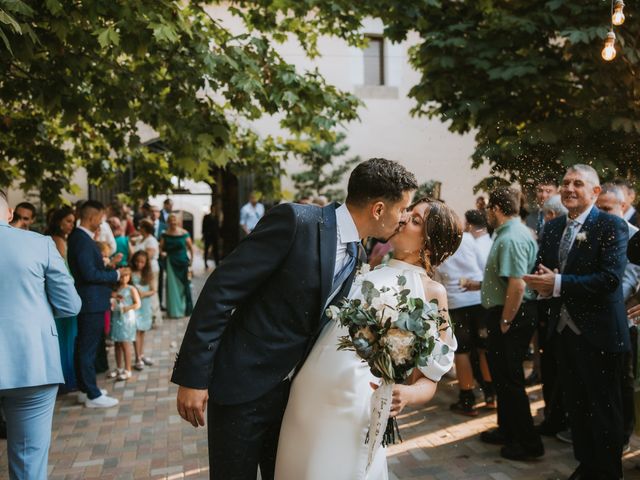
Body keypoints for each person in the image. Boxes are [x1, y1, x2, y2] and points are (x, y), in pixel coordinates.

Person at [171, 158, 417, 480]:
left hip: (296, 400)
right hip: (242, 386)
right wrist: (193, 376)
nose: (403, 219)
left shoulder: (358, 254)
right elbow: (221, 291)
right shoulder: (296, 222)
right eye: (402, 210)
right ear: (379, 209)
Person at [275, 199, 460, 479]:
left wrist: (407, 394)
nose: (404, 217)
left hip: (354, 403)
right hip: (307, 390)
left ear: (430, 245)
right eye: (408, 212)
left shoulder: (432, 292)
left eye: (416, 220)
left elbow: (431, 378)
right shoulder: (366, 265)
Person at [523, 165, 630, 479]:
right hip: (563, 331)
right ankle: (587, 465)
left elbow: (610, 279)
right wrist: (541, 285)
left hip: (601, 334)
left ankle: (608, 473)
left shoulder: (611, 225)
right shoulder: (554, 228)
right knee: (576, 405)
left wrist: (556, 284)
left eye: (578, 184)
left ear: (595, 192)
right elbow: (547, 269)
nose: (569, 188)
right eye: (565, 183)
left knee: (604, 408)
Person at [0, 190, 81, 480]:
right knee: (28, 460)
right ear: (9, 214)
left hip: (30, 364)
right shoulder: (39, 244)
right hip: (30, 360)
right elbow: (70, 304)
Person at [479, 186, 544, 461]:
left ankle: (529, 443)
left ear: (495, 209)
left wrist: (506, 320)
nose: (487, 215)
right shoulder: (510, 234)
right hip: (507, 313)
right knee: (503, 378)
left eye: (488, 210)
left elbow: (517, 283)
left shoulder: (512, 237)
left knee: (510, 379)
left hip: (511, 315)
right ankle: (507, 430)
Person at [596, 183, 640, 452]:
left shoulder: (634, 236)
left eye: (608, 209)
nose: (602, 214)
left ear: (623, 207)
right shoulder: (596, 233)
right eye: (599, 208)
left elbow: (630, 280)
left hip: (626, 319)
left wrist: (598, 298)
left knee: (625, 381)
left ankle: (624, 435)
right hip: (599, 320)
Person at [435, 220, 494, 416]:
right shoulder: (468, 238)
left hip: (456, 302)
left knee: (462, 352)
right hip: (477, 298)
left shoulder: (436, 245)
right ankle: (490, 394)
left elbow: (437, 278)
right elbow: (483, 264)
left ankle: (467, 398)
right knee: (484, 349)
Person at [67, 200, 122, 408]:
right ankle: (92, 394)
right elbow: (89, 273)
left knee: (85, 346)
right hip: (91, 301)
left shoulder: (81, 238)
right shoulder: (81, 239)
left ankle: (85, 389)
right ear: (92, 217)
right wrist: (114, 273)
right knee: (87, 348)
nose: (102, 222)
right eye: (100, 217)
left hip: (93, 300)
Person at [45, 206, 79, 393]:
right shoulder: (57, 240)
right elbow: (62, 273)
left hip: (65, 293)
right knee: (66, 339)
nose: (71, 226)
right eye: (68, 221)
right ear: (58, 221)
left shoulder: (60, 239)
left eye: (73, 222)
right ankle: (66, 379)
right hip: (65, 295)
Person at [108, 267, 140, 381]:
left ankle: (128, 369)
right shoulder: (115, 290)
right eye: (121, 276)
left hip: (126, 319)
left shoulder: (131, 289)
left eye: (126, 276)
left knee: (125, 343)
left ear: (129, 277)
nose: (123, 278)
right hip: (116, 317)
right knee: (117, 343)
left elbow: (137, 304)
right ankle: (119, 368)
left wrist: (127, 308)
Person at [160, 213, 193, 319]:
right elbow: (160, 248)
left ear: (178, 221)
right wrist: (162, 253)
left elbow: (191, 248)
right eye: (170, 220)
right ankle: (174, 311)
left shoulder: (184, 233)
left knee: (183, 286)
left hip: (183, 261)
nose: (173, 222)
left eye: (174, 220)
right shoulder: (164, 234)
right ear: (168, 222)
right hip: (171, 262)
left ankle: (183, 309)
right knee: (172, 287)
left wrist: (191, 261)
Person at [130, 251, 155, 370]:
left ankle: (141, 354)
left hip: (145, 305)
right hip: (136, 305)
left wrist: (143, 294)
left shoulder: (148, 274)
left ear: (146, 263)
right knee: (137, 330)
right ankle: (137, 358)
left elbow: (153, 290)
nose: (139, 264)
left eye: (142, 262)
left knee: (143, 330)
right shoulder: (131, 273)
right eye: (137, 261)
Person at [134, 219, 161, 325]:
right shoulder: (141, 239)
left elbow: (148, 256)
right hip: (142, 268)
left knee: (152, 291)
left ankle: (155, 317)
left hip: (151, 268)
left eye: (140, 227)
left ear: (145, 228)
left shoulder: (151, 240)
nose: (138, 229)